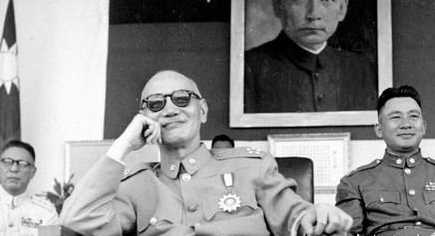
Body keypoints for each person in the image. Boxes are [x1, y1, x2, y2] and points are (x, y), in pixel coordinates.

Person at [61, 70, 352, 236]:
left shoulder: (252, 167)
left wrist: (318, 215)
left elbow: (296, 218)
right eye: (155, 104)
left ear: (202, 110)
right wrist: (124, 144)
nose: (170, 109)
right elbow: (78, 219)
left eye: (181, 99)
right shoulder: (135, 184)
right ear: (143, 116)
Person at [335, 85, 435, 236]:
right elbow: (345, 233)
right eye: (396, 117)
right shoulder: (354, 183)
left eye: (413, 116)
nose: (406, 124)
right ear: (379, 130)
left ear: (424, 127)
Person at [244, 0, 376, 113]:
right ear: (278, 6)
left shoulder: (359, 67)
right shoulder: (248, 67)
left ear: (342, 8)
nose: (314, 14)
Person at [0, 140, 58, 236]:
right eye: (7, 162)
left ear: (33, 172)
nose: (14, 169)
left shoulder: (47, 212)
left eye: (23, 164)